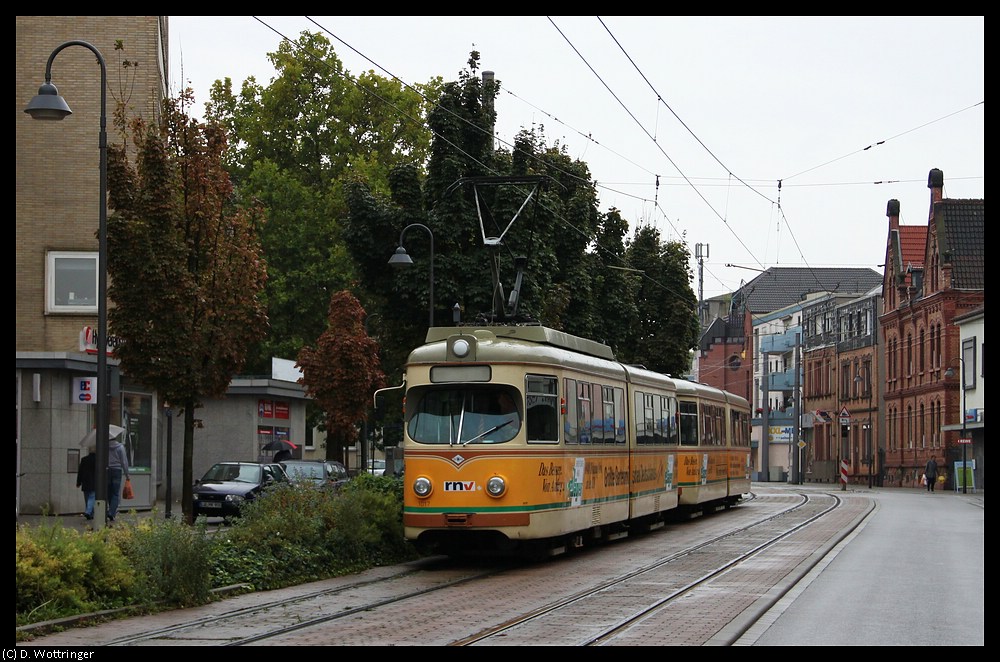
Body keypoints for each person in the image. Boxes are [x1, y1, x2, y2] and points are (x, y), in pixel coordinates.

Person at [107, 434, 130, 522]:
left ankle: (110, 510)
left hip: (107, 471)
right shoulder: (120, 447)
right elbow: (124, 461)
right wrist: (127, 474)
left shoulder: (105, 447)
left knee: (109, 492)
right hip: (117, 471)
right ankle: (112, 512)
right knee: (115, 493)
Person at [76, 449, 96, 520]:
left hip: (85, 482)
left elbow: (80, 471)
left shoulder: (84, 459)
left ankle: (91, 513)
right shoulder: (98, 460)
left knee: (87, 498)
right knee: (92, 497)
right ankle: (88, 512)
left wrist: (78, 482)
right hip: (94, 482)